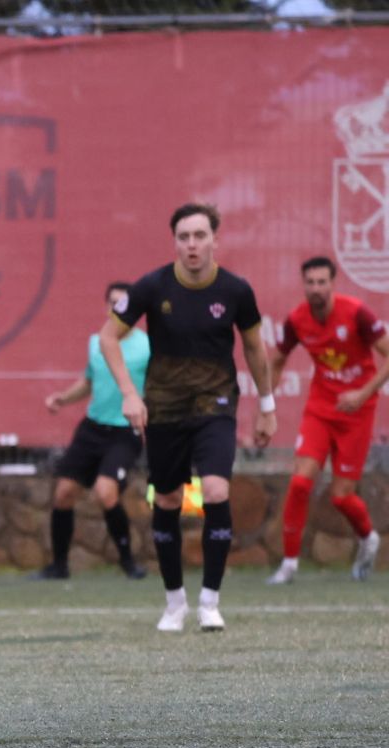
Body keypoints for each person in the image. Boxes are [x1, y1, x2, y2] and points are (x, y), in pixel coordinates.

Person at [100, 202, 277, 633]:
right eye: (184, 237)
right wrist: (129, 394)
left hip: (215, 406)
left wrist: (267, 406)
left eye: (200, 236)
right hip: (163, 409)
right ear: (175, 241)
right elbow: (109, 338)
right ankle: (174, 602)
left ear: (216, 239)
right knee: (167, 501)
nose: (192, 245)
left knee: (215, 490)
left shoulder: (236, 290)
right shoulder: (151, 286)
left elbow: (254, 349)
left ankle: (210, 602)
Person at [266, 255, 389, 584]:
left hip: (358, 412)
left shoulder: (357, 312)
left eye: (322, 282)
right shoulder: (297, 319)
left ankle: (368, 538)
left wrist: (362, 394)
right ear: (303, 284)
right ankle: (289, 564)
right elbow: (276, 359)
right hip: (321, 408)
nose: (316, 288)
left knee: (340, 495)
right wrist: (266, 404)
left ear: (333, 283)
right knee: (300, 482)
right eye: (311, 282)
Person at [35, 281, 151, 581]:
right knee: (64, 492)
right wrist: (63, 398)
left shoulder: (147, 346)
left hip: (125, 432)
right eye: (112, 302)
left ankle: (128, 563)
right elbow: (88, 381)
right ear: (106, 306)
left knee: (105, 490)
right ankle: (59, 567)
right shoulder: (97, 342)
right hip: (92, 428)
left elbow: (157, 386)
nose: (117, 308)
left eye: (123, 303)